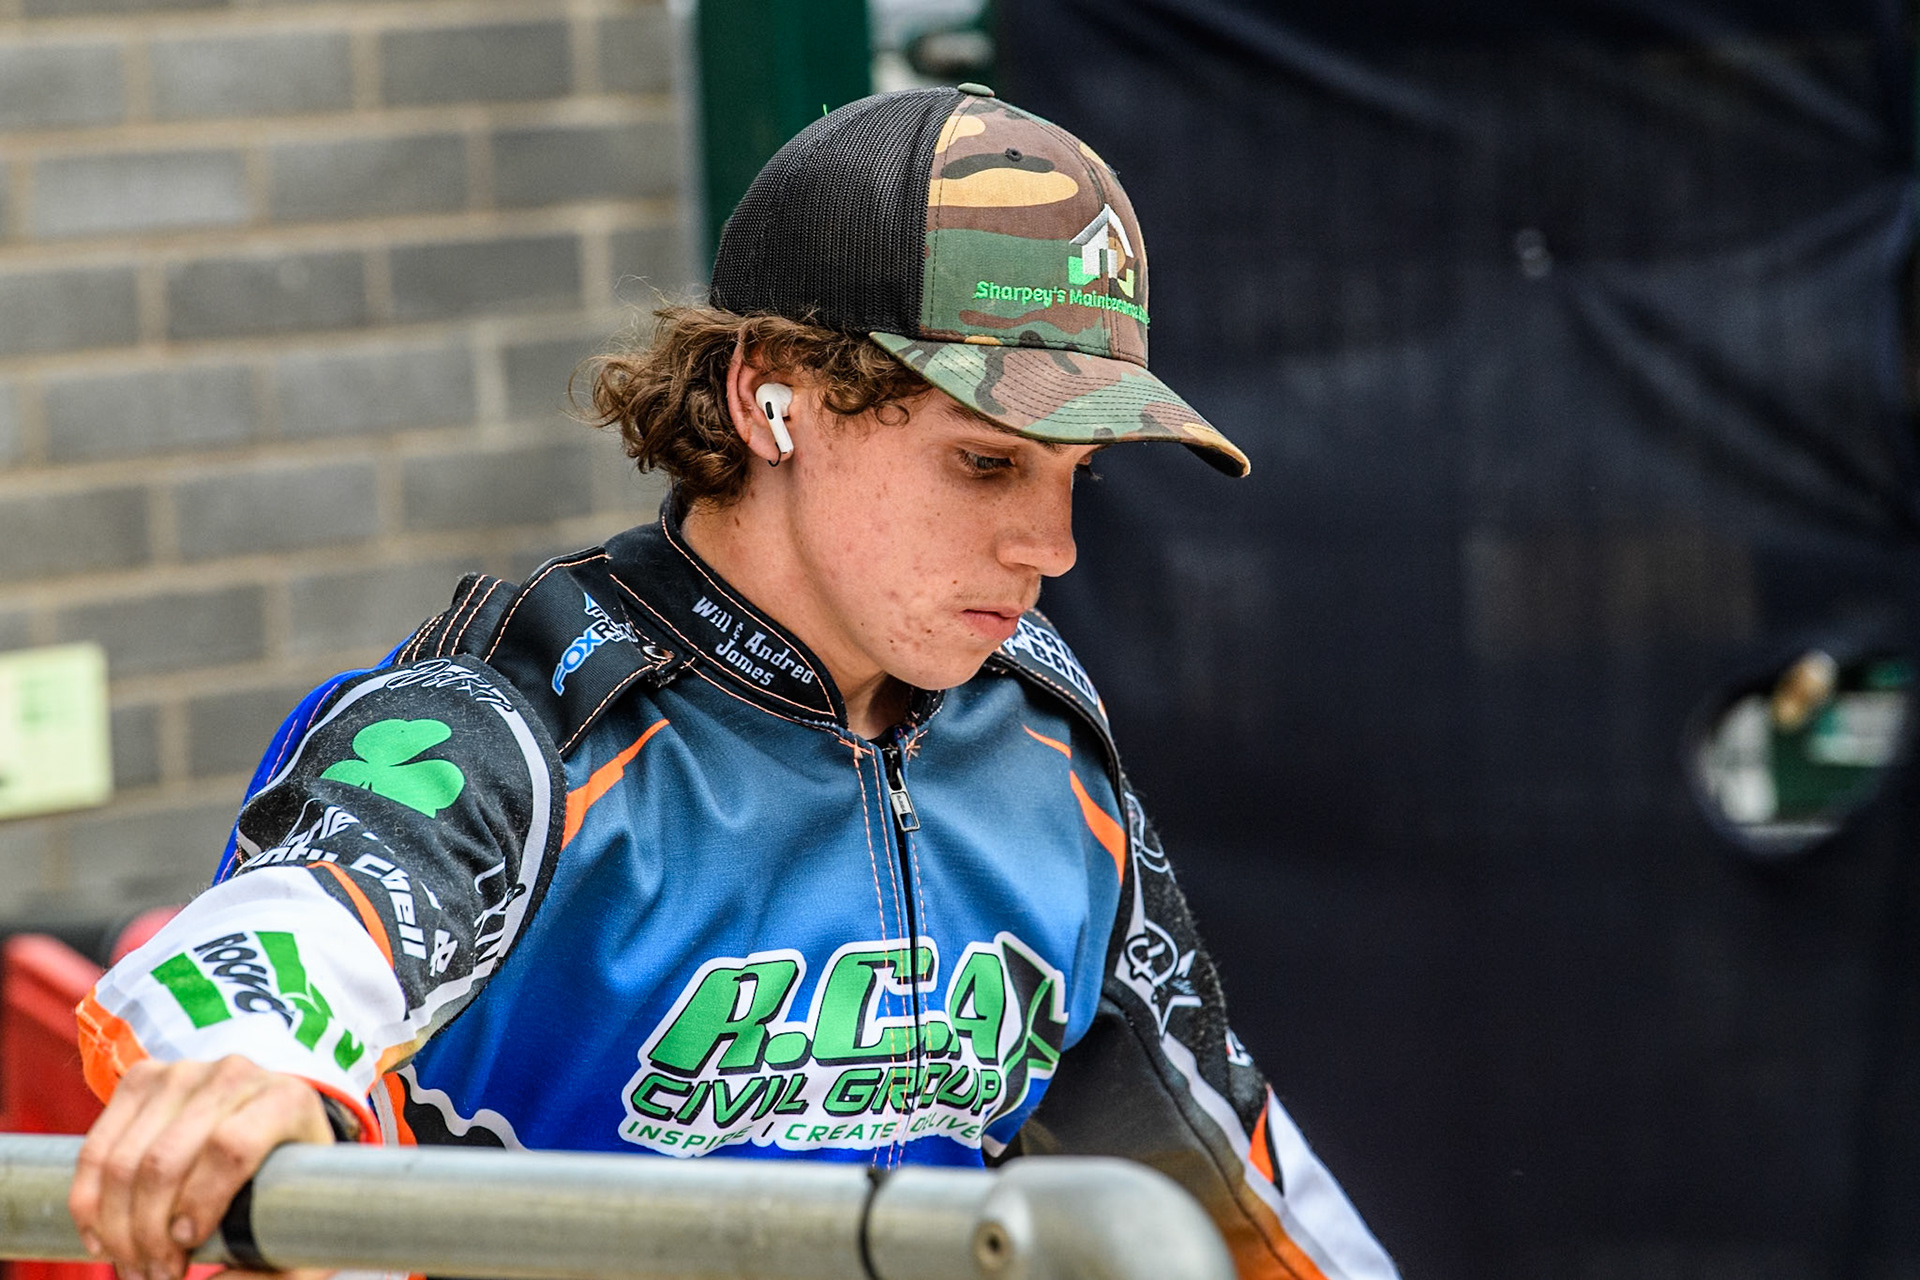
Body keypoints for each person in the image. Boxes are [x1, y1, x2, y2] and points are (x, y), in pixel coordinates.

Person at [67, 85, 1398, 1280]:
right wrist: (247, 1064)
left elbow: (1232, 1180)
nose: (1050, 548)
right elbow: (297, 927)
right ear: (772, 395)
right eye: (988, 463)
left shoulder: (1040, 737)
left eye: (1077, 475)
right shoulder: (526, 707)